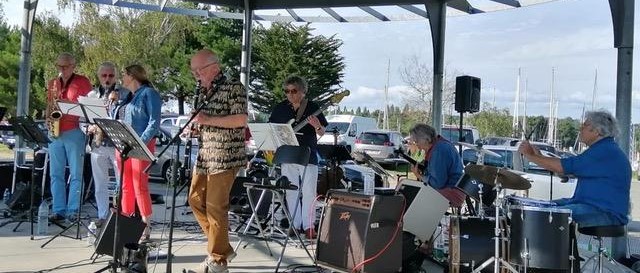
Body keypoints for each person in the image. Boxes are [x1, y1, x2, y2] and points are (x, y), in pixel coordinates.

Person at [187, 49, 248, 273]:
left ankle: (217, 260)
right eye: (193, 71)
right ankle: (221, 247)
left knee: (215, 208)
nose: (196, 75)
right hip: (205, 155)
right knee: (194, 199)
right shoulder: (204, 91)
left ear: (214, 67)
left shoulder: (234, 88)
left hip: (225, 156)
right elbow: (207, 123)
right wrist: (196, 127)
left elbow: (240, 120)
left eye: (198, 70)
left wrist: (207, 119)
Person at [518, 110, 631, 228]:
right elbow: (567, 171)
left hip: (605, 212)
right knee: (543, 206)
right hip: (591, 205)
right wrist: (539, 157)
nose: (580, 129)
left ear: (597, 131)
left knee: (548, 213)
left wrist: (531, 156)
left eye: (585, 125)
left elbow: (562, 167)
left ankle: (543, 246)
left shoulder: (603, 151)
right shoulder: (603, 149)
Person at [268, 75, 328, 240]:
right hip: (288, 154)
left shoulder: (312, 107)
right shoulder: (280, 108)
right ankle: (294, 225)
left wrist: (317, 126)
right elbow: (272, 128)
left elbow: (322, 132)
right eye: (287, 91)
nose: (290, 94)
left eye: (294, 91)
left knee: (309, 192)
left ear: (303, 91)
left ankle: (309, 227)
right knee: (290, 192)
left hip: (307, 155)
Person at [46, 53, 92, 222]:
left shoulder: (83, 82)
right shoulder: (53, 83)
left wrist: (69, 106)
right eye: (59, 66)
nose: (61, 69)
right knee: (55, 174)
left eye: (65, 66)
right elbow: (49, 105)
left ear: (73, 66)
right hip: (55, 131)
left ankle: (73, 210)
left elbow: (89, 105)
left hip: (74, 131)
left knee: (76, 174)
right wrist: (48, 120)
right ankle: (59, 209)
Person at [119, 64, 161, 240]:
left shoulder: (149, 93)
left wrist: (141, 142)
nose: (122, 77)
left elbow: (154, 121)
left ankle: (145, 226)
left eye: (124, 74)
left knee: (139, 185)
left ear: (132, 76)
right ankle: (126, 221)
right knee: (126, 185)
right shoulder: (129, 96)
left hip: (141, 144)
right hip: (126, 145)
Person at [86, 62, 130, 227]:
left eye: (111, 76)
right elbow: (82, 120)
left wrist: (117, 103)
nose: (107, 79)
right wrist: (88, 128)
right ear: (99, 76)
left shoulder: (125, 93)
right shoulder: (91, 95)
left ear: (115, 77)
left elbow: (127, 117)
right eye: (104, 76)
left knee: (121, 182)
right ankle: (103, 216)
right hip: (98, 144)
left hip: (116, 144)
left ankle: (120, 215)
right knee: (100, 184)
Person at [408, 123, 465, 207]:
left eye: (417, 142)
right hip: (450, 189)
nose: (417, 146)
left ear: (426, 139)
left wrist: (419, 175)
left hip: (451, 191)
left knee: (412, 201)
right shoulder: (439, 145)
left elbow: (438, 184)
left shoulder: (439, 150)